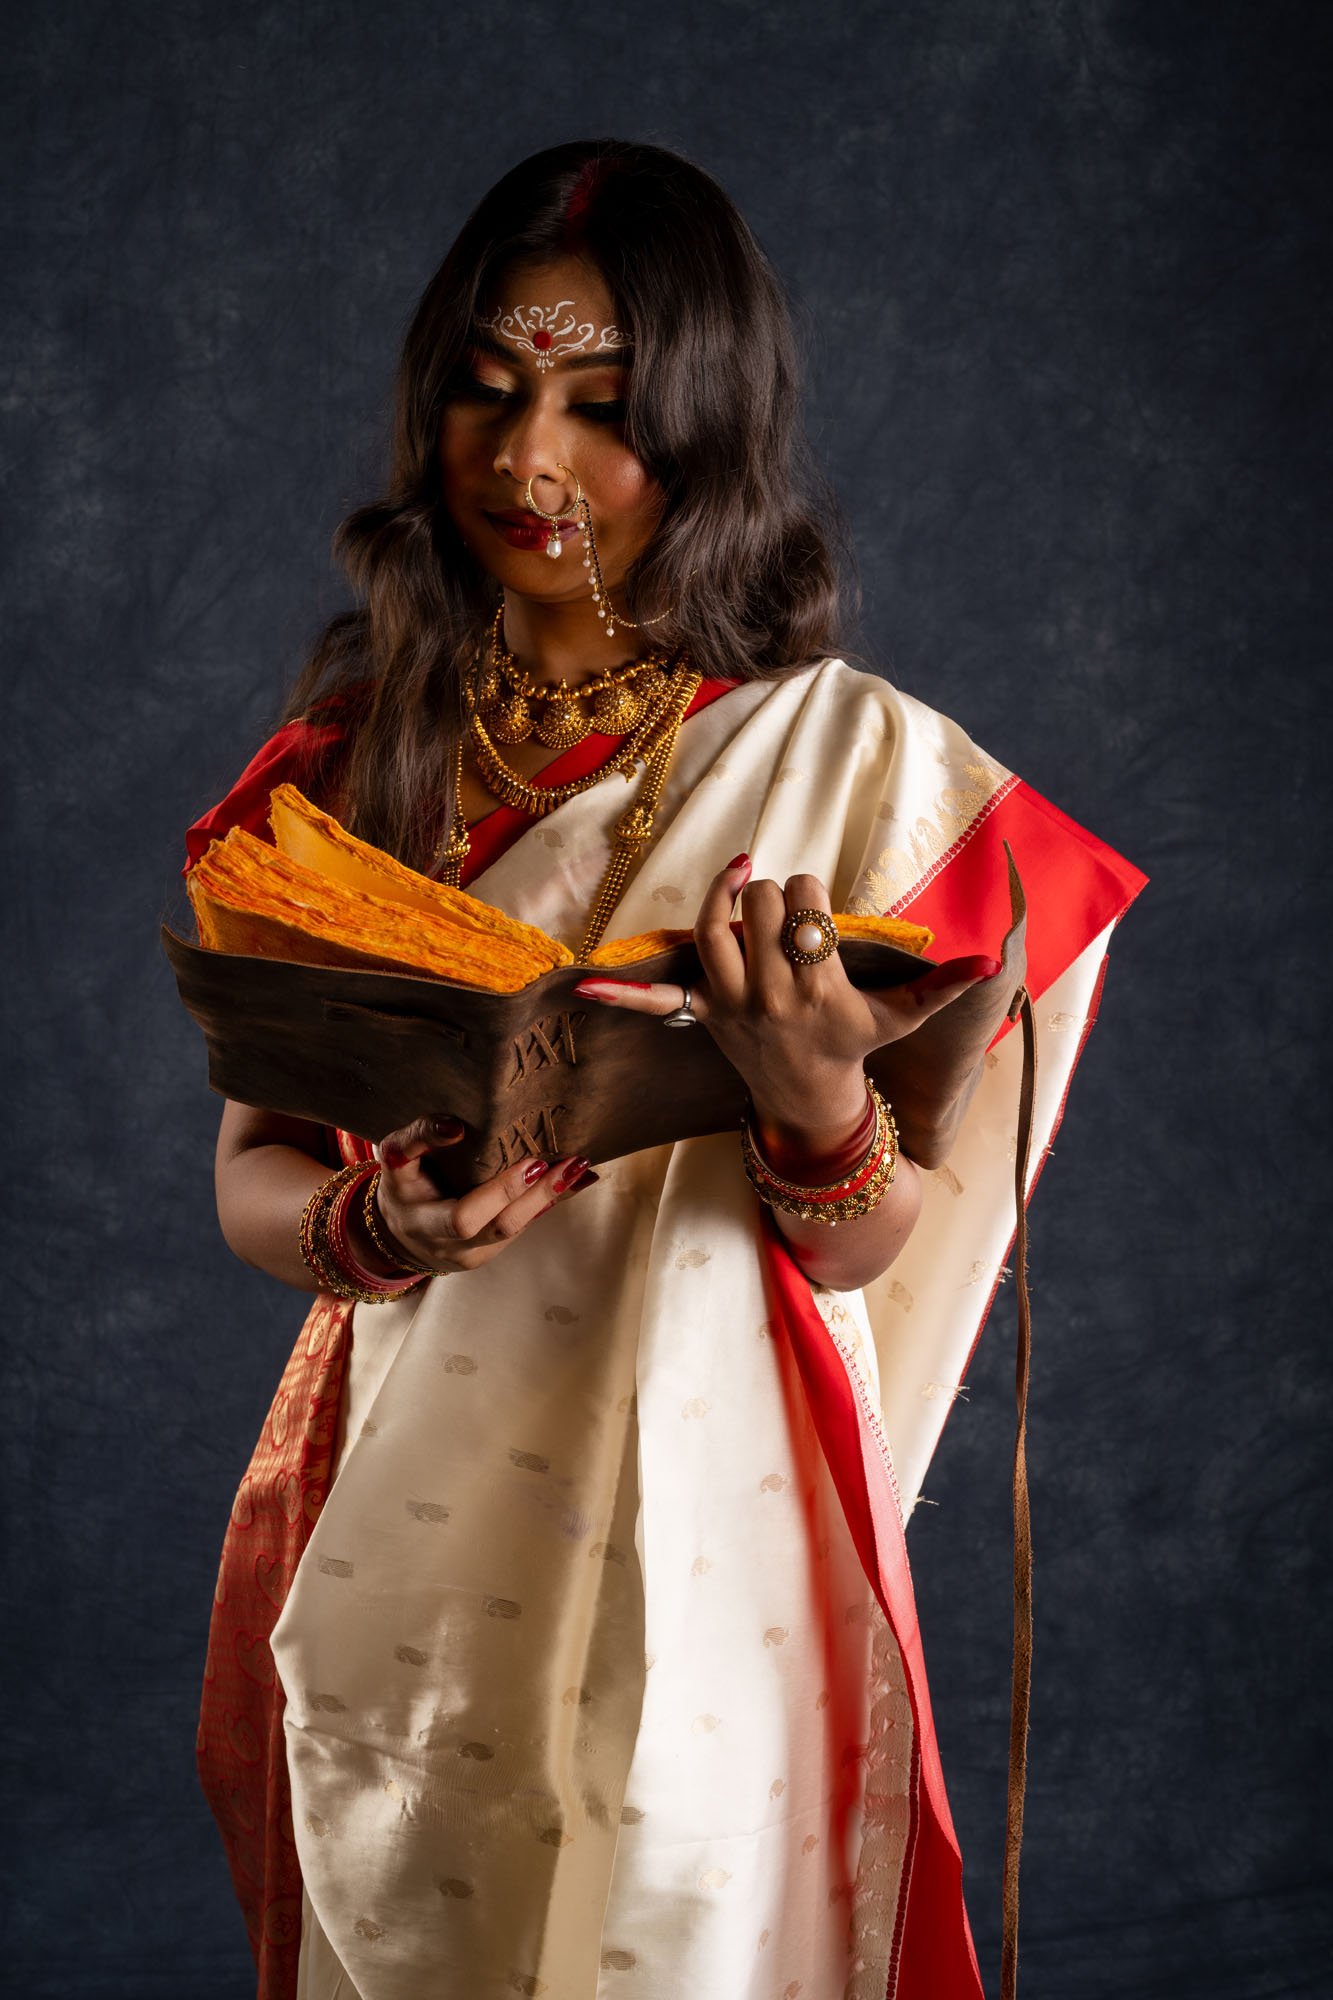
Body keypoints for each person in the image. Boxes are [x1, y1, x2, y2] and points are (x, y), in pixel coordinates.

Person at [184, 140, 1145, 2000]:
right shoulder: (350, 773)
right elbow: (251, 1175)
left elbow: (872, 1241)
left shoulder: (848, 768)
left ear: (706, 431)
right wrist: (376, 1227)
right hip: (411, 1507)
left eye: (604, 411)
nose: (527, 460)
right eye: (487, 389)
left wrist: (812, 1099)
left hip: (715, 1531)